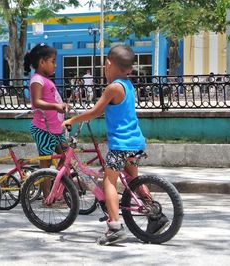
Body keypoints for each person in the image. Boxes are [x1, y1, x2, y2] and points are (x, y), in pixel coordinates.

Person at [63, 45, 168, 245]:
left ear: (109, 64)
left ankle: (115, 227)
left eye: (104, 64)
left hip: (121, 144)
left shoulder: (112, 88)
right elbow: (121, 116)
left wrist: (72, 120)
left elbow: (95, 112)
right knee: (133, 178)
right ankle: (155, 215)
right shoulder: (128, 85)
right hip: (135, 141)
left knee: (109, 181)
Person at [23, 43, 68, 203]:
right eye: (53, 61)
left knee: (67, 156)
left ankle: (57, 186)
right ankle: (47, 196)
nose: (55, 65)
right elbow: (36, 102)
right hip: (43, 129)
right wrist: (56, 106)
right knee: (46, 163)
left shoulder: (46, 80)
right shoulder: (37, 80)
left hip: (56, 130)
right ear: (42, 62)